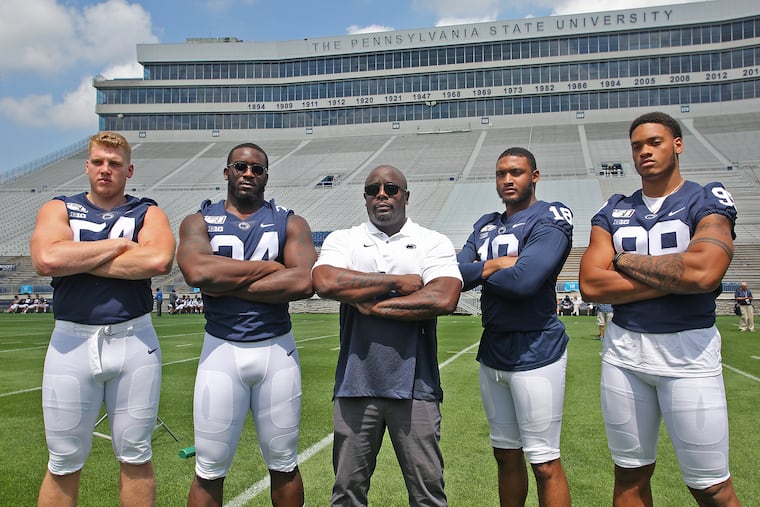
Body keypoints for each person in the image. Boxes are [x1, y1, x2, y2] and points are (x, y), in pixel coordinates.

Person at [579, 111, 741, 506]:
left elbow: (705, 271)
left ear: (677, 144)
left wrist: (624, 261)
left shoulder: (706, 197)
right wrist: (676, 280)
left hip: (689, 354)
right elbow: (591, 284)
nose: (645, 152)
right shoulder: (615, 208)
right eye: (637, 146)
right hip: (624, 353)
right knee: (629, 476)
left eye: (655, 142)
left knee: (711, 486)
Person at [29, 131, 176, 507]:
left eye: (113, 164)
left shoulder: (148, 211)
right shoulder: (58, 208)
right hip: (71, 342)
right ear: (87, 166)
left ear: (129, 169)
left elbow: (158, 261)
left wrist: (77, 258)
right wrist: (121, 245)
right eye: (98, 162)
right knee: (63, 459)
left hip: (133, 339)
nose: (105, 170)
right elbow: (47, 260)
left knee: (136, 454)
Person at [312, 164, 462, 507]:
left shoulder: (431, 241)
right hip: (355, 383)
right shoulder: (344, 239)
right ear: (365, 197)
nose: (382, 194)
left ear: (405, 196)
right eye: (372, 189)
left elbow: (444, 297)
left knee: (428, 493)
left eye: (391, 188)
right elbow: (324, 282)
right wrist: (397, 283)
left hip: (417, 386)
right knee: (347, 492)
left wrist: (369, 305)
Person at [176, 142, 316, 507]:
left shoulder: (290, 221)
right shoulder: (198, 220)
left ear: (266, 176)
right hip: (221, 350)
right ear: (227, 172)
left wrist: (225, 283)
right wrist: (271, 269)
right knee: (209, 467)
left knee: (284, 462)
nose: (248, 174)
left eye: (257, 169)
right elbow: (197, 272)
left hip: (276, 350)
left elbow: (303, 282)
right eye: (241, 167)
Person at [457, 147, 572, 507]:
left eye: (517, 172)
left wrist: (480, 270)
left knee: (544, 461)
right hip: (492, 350)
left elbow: (526, 280)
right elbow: (453, 274)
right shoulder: (485, 223)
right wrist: (496, 266)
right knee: (505, 454)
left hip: (537, 349)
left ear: (534, 176)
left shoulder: (549, 216)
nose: (508, 179)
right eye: (501, 173)